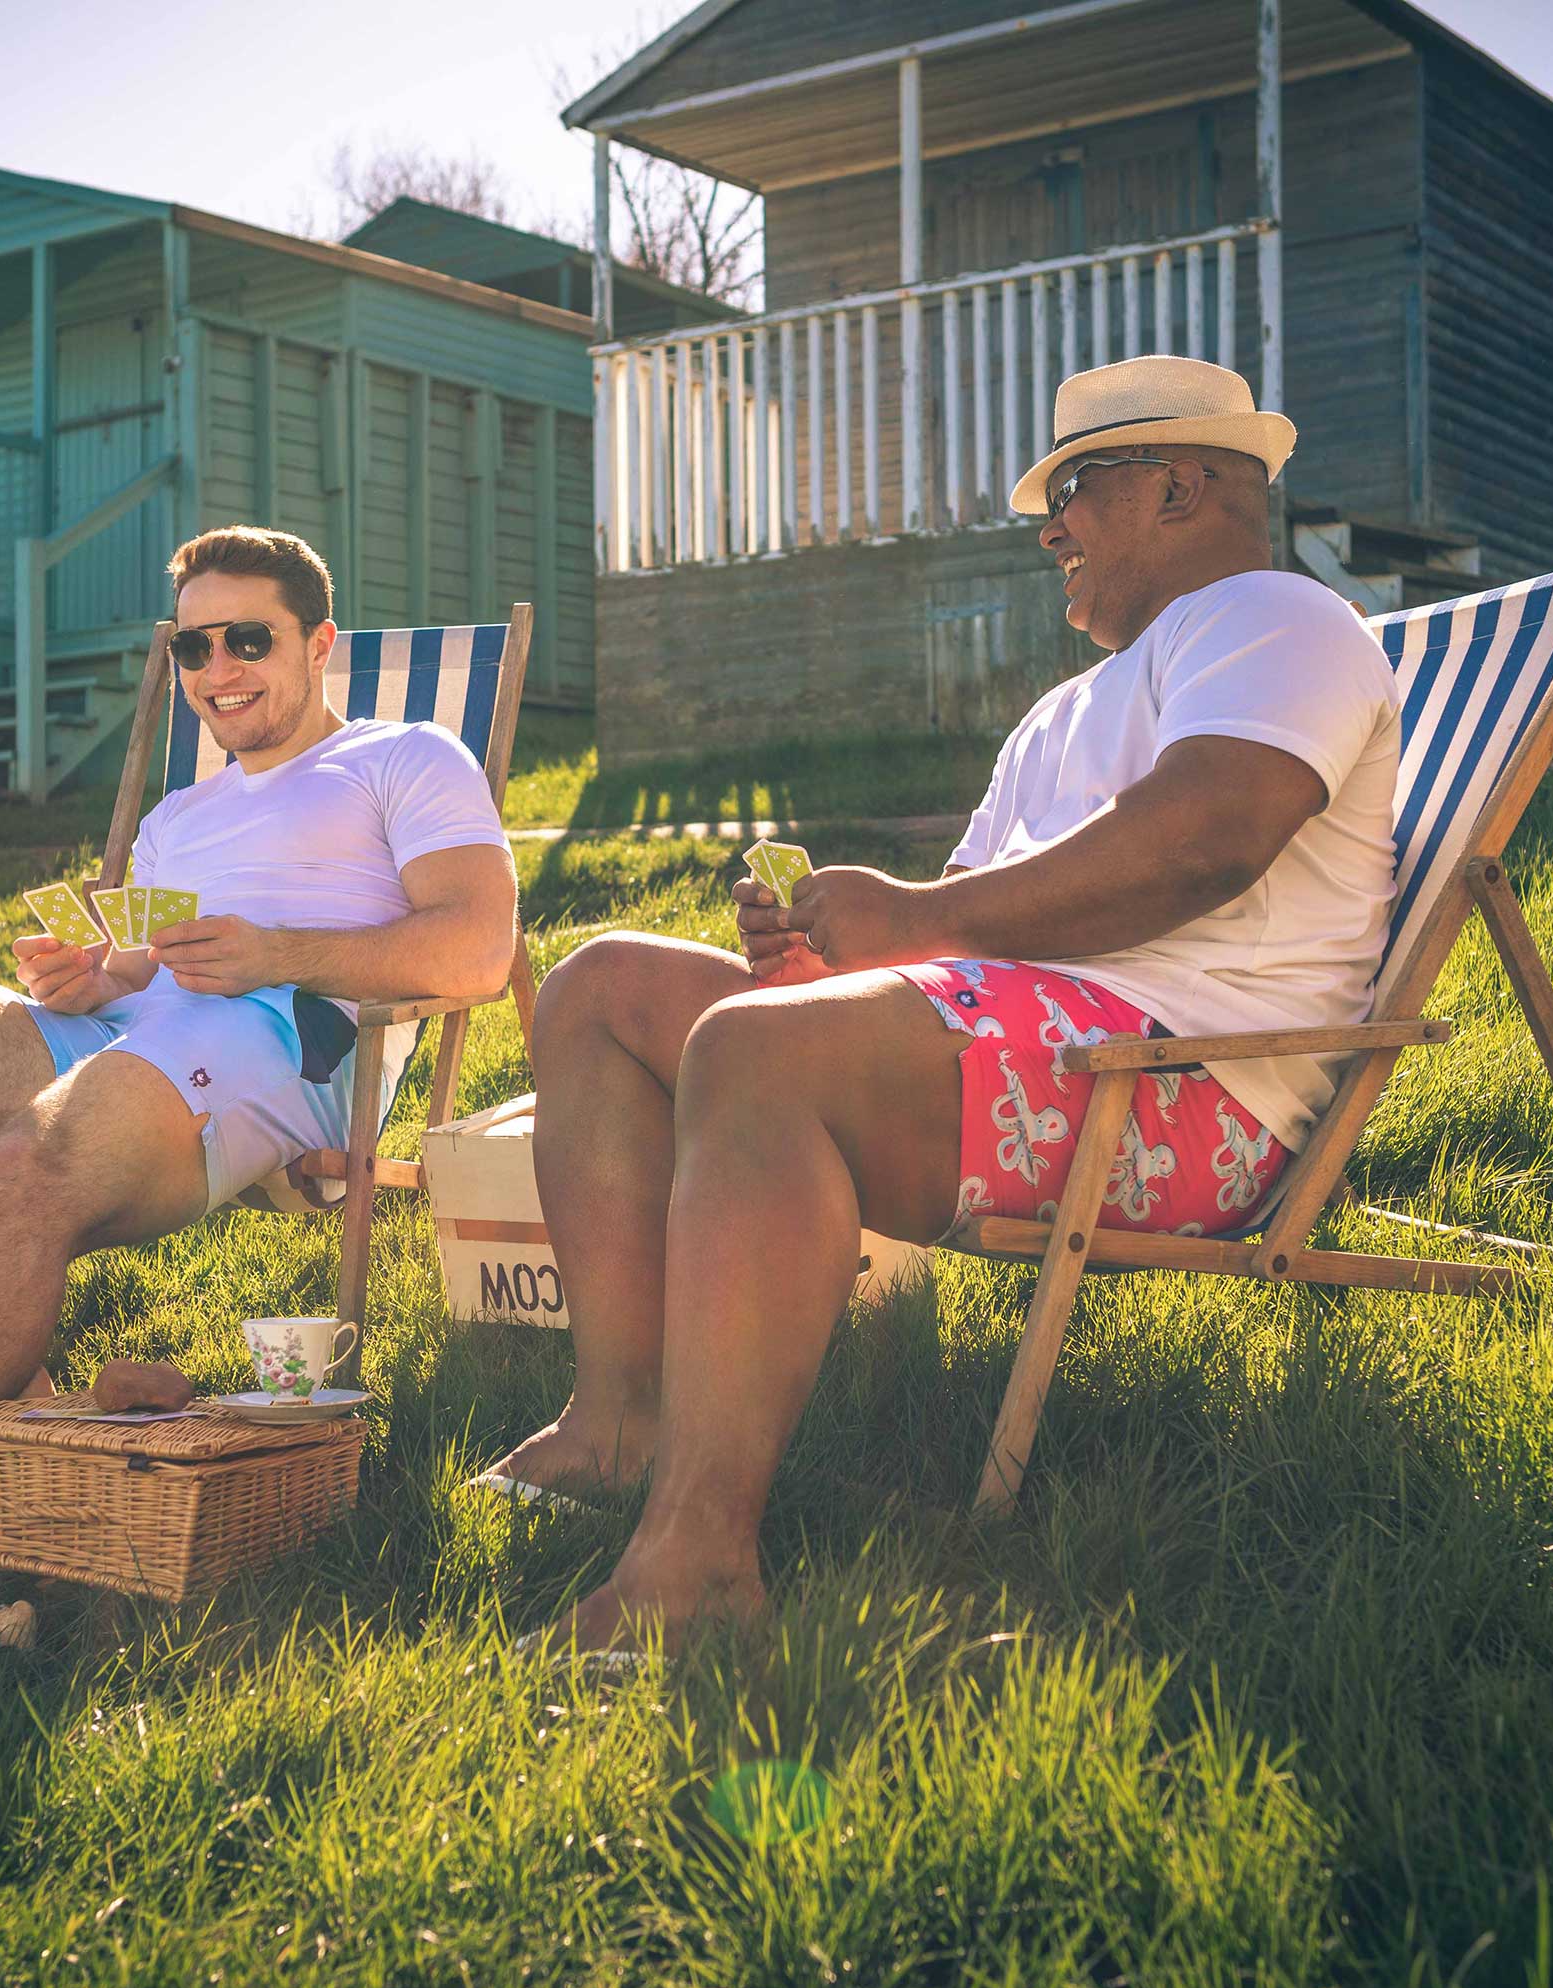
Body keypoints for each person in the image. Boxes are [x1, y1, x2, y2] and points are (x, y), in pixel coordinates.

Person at [493, 356, 1403, 1657]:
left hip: (1178, 1091)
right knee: (601, 989)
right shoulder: (1063, 710)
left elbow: (1211, 833)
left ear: (1182, 485)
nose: (1051, 531)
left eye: (1077, 489)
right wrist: (837, 961)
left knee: (753, 1054)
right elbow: (966, 933)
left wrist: (916, 925)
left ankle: (696, 1568)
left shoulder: (1276, 622)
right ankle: (614, 1419)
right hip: (1033, 1052)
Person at [0, 527, 517, 1617]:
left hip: (281, 1038)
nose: (215, 670)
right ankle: (34, 1415)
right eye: (192, 647)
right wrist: (97, 981)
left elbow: (477, 948)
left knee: (30, 1162)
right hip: (136, 1041)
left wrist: (278, 949)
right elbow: (155, 971)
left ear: (318, 641)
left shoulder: (404, 757)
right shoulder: (180, 816)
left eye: (246, 639)